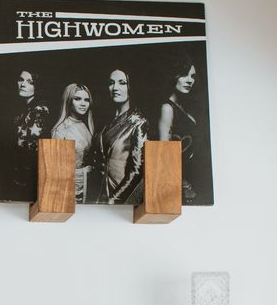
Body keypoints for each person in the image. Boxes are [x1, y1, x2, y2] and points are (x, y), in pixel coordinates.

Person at [96, 69, 148, 204]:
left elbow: (137, 171)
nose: (115, 88)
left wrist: (113, 200)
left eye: (122, 83)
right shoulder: (106, 122)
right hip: (99, 192)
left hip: (120, 196)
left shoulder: (138, 123)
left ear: (131, 86)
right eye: (111, 83)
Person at [158, 57, 198, 201]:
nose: (190, 80)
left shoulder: (182, 109)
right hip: (179, 184)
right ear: (173, 76)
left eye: (193, 77)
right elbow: (165, 152)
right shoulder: (167, 109)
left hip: (191, 181)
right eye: (184, 75)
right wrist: (181, 184)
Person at [51, 84, 95, 202]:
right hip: (71, 191)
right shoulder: (61, 130)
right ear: (68, 100)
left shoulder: (85, 125)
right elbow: (56, 170)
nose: (83, 103)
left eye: (86, 100)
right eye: (77, 99)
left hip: (89, 188)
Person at [12, 70, 50, 195]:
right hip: (20, 172)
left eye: (30, 82)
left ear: (37, 86)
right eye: (21, 80)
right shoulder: (24, 109)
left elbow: (33, 148)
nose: (23, 85)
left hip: (30, 175)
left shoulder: (39, 110)